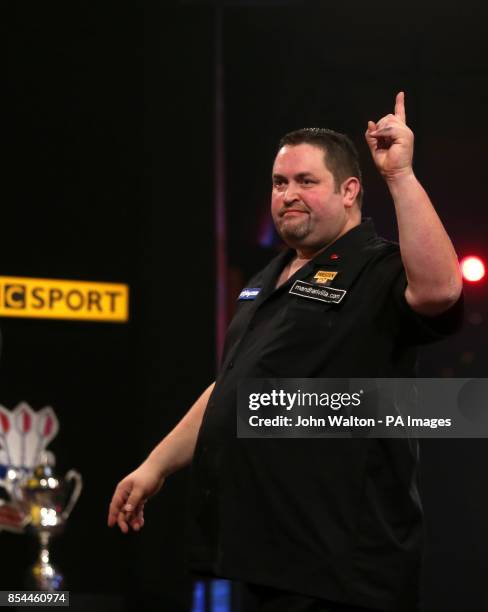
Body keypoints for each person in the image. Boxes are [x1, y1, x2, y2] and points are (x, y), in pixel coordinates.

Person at [108, 92, 463, 612]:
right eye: (280, 183)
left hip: (345, 566)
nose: (288, 194)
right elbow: (234, 386)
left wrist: (401, 176)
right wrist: (155, 466)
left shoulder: (378, 265)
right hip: (266, 557)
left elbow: (440, 291)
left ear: (349, 191)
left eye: (305, 182)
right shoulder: (267, 278)